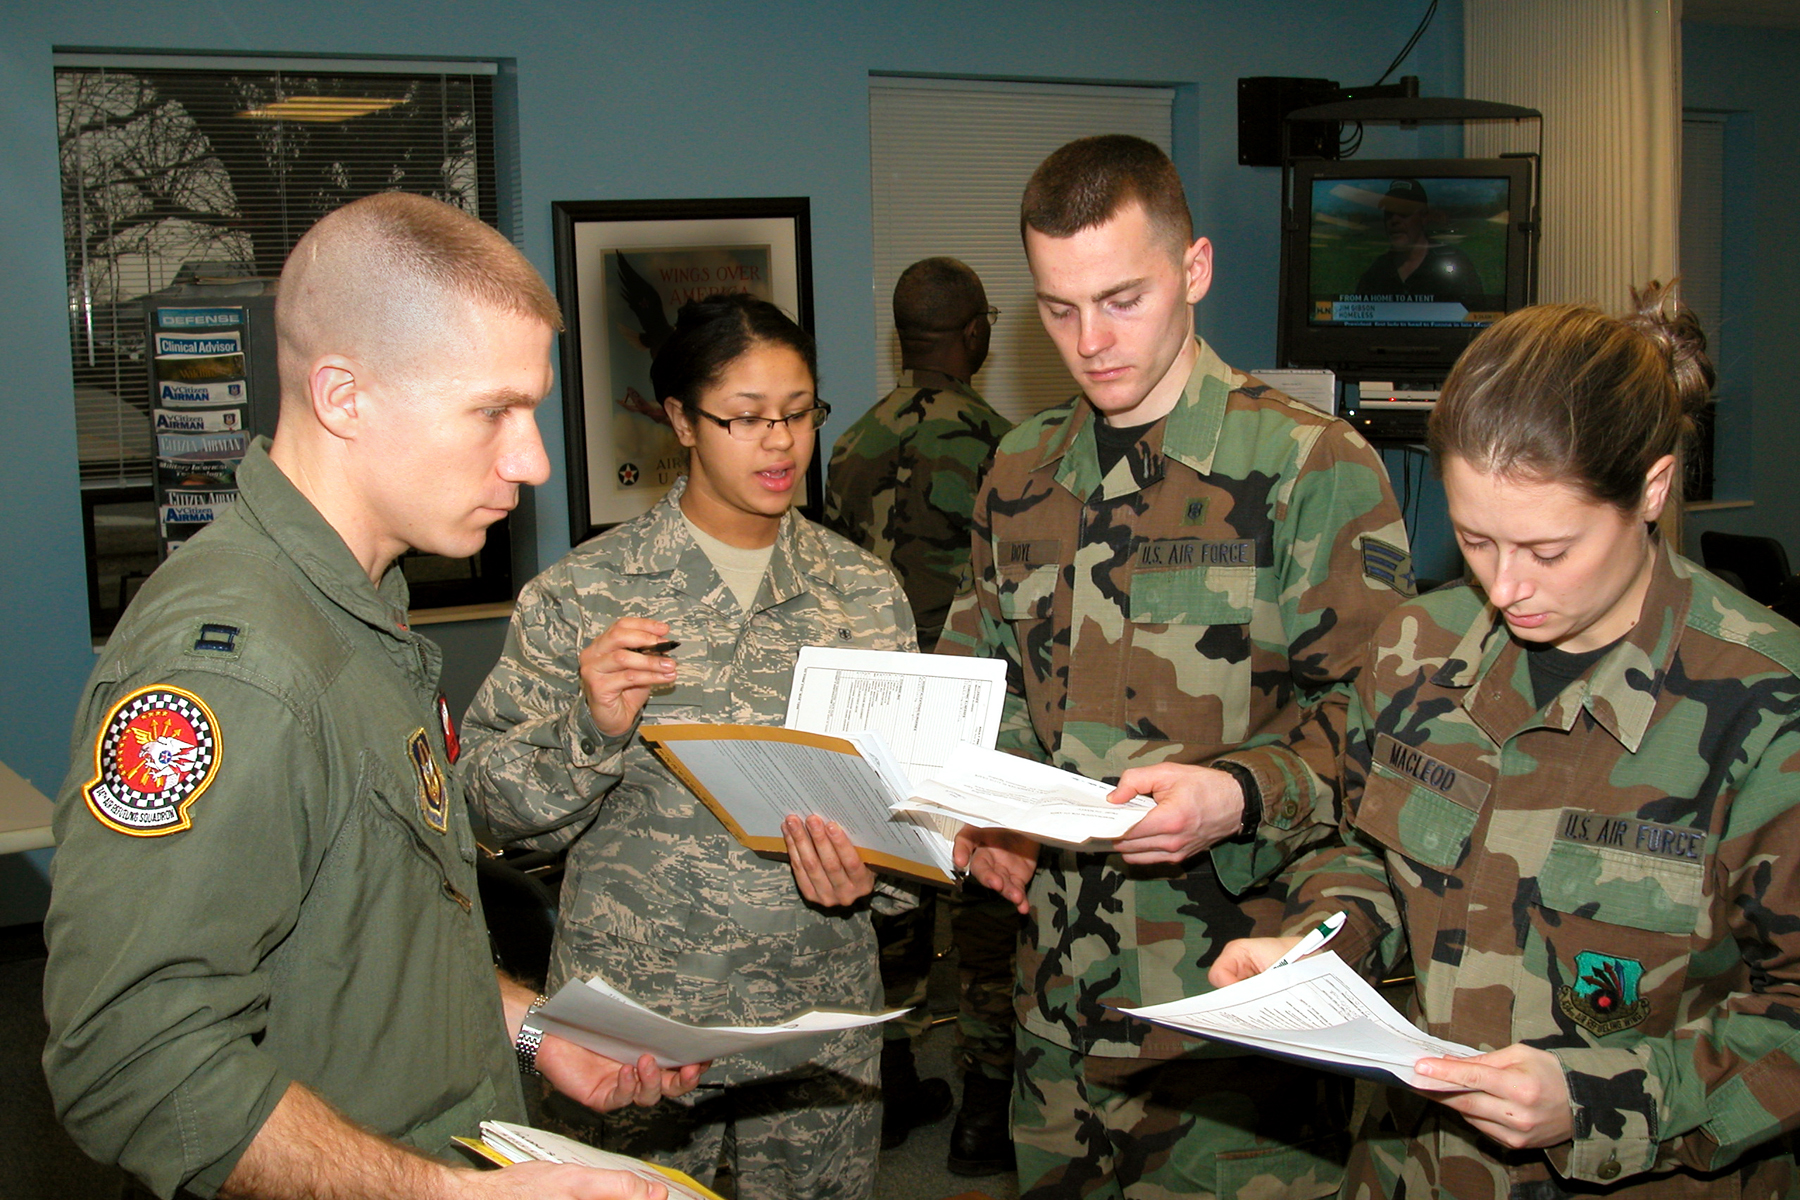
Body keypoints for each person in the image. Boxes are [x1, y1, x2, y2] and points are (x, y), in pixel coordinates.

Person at [40, 193, 699, 1200]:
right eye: (493, 411)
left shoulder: (359, 611)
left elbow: (357, 930)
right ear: (343, 396)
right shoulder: (236, 666)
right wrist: (447, 1195)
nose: (533, 461)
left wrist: (531, 1026)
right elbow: (130, 1057)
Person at [1211, 282, 1800, 1199]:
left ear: (1652, 487)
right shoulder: (1419, 648)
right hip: (1412, 1169)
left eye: (1549, 550)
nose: (1509, 586)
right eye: (1477, 541)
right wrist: (1320, 943)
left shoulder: (1766, 707)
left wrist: (1601, 1102)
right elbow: (1369, 855)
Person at [942, 134, 1415, 1200]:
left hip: (1232, 1027)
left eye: (1121, 299)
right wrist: (986, 814)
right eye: (1058, 309)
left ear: (1194, 270)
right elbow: (994, 690)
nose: (1090, 341)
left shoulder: (1308, 467)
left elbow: (1394, 731)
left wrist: (1241, 792)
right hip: (1057, 1016)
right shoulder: (1019, 470)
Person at [462, 292, 918, 1200]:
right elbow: (483, 806)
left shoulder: (864, 595)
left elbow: (913, 818)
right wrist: (586, 731)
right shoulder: (584, 594)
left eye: (799, 413)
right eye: (746, 418)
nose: (782, 442)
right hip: (634, 1029)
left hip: (814, 1025)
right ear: (679, 419)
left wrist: (880, 878)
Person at [823, 256, 1020, 1170]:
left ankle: (889, 1088)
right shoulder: (1010, 446)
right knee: (985, 918)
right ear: (976, 333)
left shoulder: (851, 442)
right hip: (975, 707)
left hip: (875, 709)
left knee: (882, 911)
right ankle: (983, 1115)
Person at [1353, 178, 1482, 307]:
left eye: (1403, 211)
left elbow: (1479, 316)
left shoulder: (1455, 263)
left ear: (1424, 216)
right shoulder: (1376, 273)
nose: (1394, 220)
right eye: (1389, 213)